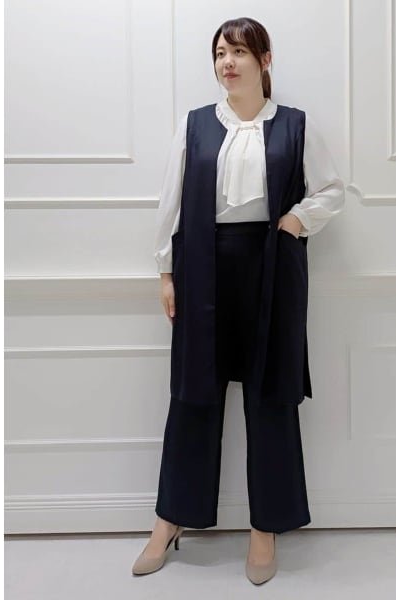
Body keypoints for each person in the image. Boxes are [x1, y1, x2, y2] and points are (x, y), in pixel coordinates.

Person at [132, 16, 345, 584]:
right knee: (192, 394)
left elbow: (331, 190)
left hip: (272, 264)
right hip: (203, 265)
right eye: (220, 53)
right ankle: (169, 519)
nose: (227, 63)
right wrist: (166, 271)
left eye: (239, 52)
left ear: (264, 60)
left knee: (270, 394)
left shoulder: (296, 125)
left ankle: (265, 527)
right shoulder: (195, 126)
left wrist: (297, 220)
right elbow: (172, 201)